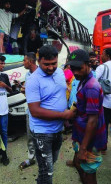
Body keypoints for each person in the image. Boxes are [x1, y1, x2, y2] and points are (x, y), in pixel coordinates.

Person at [25, 45, 76, 184]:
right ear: (38, 60)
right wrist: (63, 115)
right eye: (46, 64)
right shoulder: (33, 81)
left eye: (53, 63)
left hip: (58, 130)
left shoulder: (60, 72)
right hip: (43, 133)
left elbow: (61, 91)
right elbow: (34, 111)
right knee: (47, 172)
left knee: (49, 164)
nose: (51, 68)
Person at [66, 49, 107, 184]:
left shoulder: (91, 87)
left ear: (88, 64)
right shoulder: (83, 80)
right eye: (73, 68)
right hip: (82, 133)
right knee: (79, 164)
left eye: (79, 68)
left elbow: (93, 121)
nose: (75, 72)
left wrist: (83, 148)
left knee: (89, 172)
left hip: (91, 140)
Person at [18, 52, 38, 170]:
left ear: (30, 61)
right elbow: (28, 93)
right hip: (29, 111)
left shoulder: (41, 74)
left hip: (40, 111)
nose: (23, 63)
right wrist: (22, 89)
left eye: (24, 60)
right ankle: (31, 158)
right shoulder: (27, 75)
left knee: (41, 136)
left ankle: (44, 158)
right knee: (30, 136)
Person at [95, 48, 111, 141]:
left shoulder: (102, 67)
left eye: (103, 54)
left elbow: (93, 81)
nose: (101, 56)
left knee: (104, 123)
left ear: (107, 55)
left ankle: (103, 144)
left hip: (106, 101)